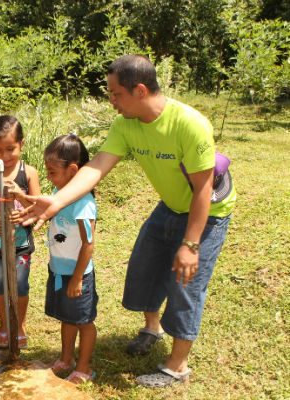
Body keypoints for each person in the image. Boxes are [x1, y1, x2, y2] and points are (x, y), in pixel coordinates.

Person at [17, 55, 236, 387]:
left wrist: (191, 245)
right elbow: (96, 167)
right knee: (145, 268)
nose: (112, 101)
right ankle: (152, 328)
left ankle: (177, 366)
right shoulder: (125, 125)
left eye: (116, 93)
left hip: (207, 211)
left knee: (186, 285)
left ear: (140, 90)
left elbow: (203, 190)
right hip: (170, 205)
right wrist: (56, 201)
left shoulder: (190, 124)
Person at [0, 115, 41, 349]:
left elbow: (37, 205)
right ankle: (4, 324)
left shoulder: (29, 172)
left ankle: (19, 325)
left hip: (20, 243)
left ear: (21, 144)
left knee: (20, 286)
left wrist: (22, 207)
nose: (4, 156)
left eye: (11, 149)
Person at [40, 134, 98, 384]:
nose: (48, 177)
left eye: (52, 172)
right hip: (59, 270)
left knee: (83, 321)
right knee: (67, 317)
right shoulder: (59, 192)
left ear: (73, 170)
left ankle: (84, 367)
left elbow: (88, 244)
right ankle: (66, 359)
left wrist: (77, 279)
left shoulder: (83, 204)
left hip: (77, 275)